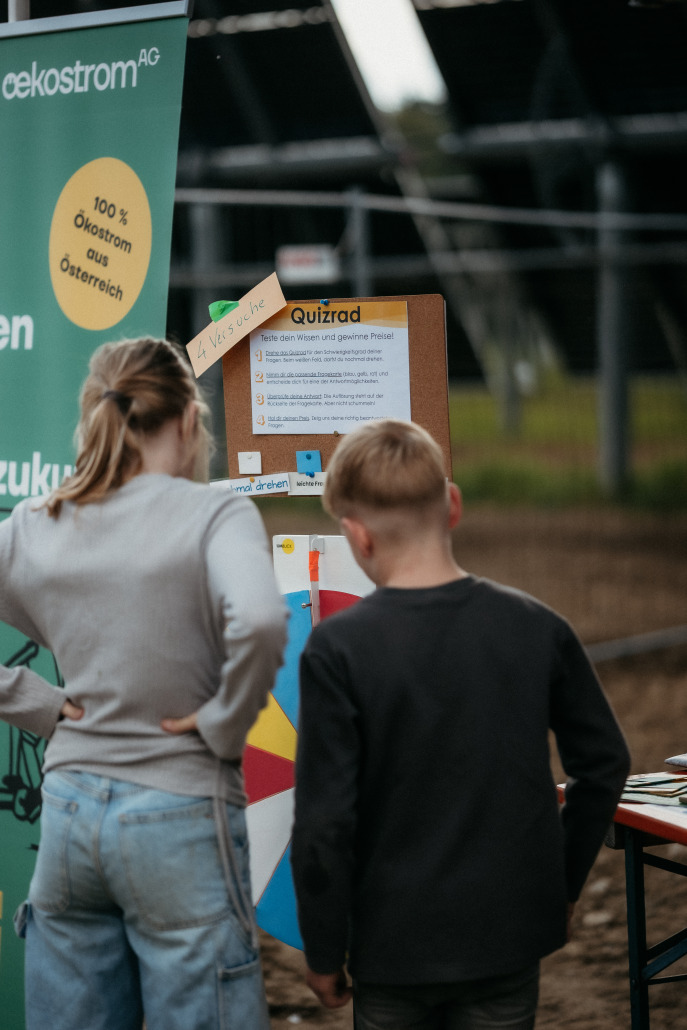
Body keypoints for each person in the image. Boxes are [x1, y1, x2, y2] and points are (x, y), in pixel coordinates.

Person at [291, 418, 630, 1030]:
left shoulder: (335, 650)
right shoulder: (537, 627)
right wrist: (562, 884)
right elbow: (604, 763)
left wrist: (321, 947)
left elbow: (323, 819)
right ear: (453, 504)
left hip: (390, 946)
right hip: (508, 936)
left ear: (356, 535)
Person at [0, 337, 288, 1030]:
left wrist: (36, 706)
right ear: (189, 418)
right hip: (181, 816)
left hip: (67, 819)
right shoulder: (215, 515)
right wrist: (223, 722)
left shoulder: (35, 524)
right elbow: (257, 619)